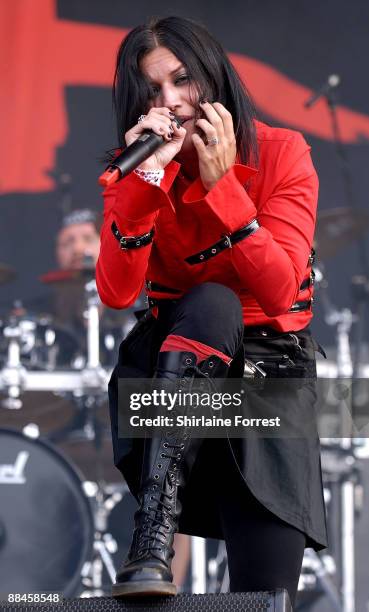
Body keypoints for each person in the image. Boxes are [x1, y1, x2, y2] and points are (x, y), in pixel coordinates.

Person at [96, 16, 328, 607]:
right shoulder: (140, 171)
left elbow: (279, 292)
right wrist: (148, 181)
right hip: (173, 372)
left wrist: (224, 187)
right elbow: (119, 293)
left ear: (213, 77)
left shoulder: (281, 152)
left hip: (264, 386)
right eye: (152, 90)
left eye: (181, 81)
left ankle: (157, 533)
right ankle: (153, 532)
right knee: (210, 302)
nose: (170, 102)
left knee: (266, 592)